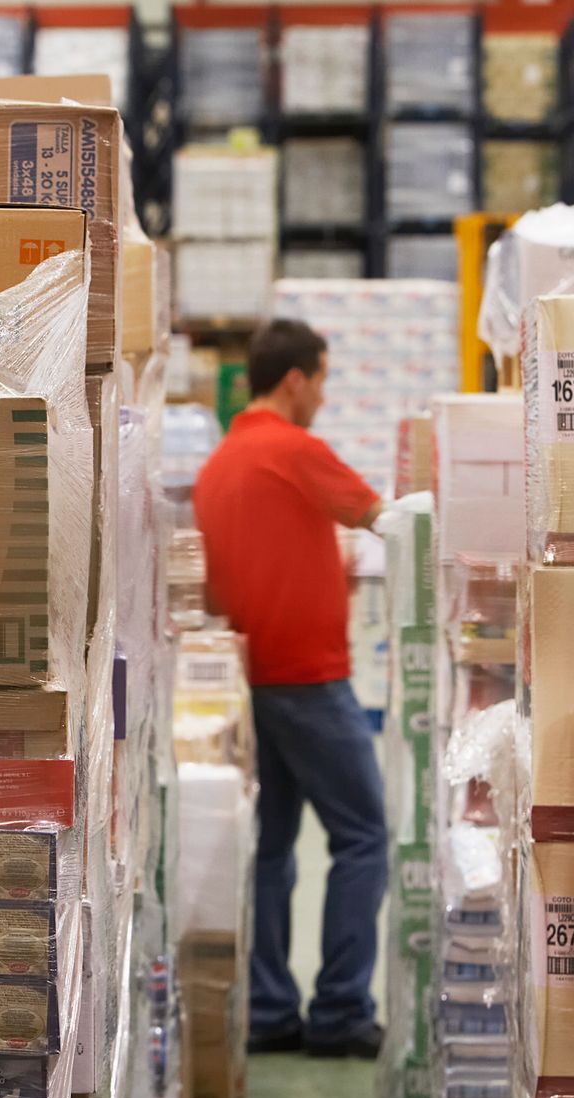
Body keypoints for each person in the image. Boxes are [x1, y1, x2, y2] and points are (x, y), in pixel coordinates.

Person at [192, 318, 388, 1060]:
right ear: (296, 379)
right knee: (363, 835)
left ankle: (270, 1010)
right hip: (309, 677)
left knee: (270, 847)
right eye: (323, 381)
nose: (325, 398)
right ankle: (340, 1013)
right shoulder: (293, 450)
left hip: (248, 682)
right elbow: (381, 516)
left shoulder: (222, 462)